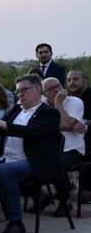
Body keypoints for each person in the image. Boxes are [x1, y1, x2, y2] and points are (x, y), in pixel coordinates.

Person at [0, 74, 62, 233]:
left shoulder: (50, 113)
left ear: (38, 90)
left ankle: (16, 224)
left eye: (24, 90)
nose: (20, 95)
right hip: (7, 157)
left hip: (34, 162)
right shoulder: (17, 110)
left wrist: (1, 124)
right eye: (18, 92)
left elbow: (31, 132)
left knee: (4, 171)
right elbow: (5, 129)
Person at [41, 77, 86, 217]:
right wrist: (64, 125)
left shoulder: (75, 102)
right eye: (51, 88)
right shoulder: (41, 104)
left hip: (72, 149)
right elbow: (66, 125)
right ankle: (43, 196)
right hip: (48, 148)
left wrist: (58, 103)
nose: (57, 89)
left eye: (58, 86)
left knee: (56, 163)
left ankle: (65, 201)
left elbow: (66, 124)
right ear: (43, 93)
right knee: (25, 160)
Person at [68, 70, 91, 203]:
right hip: (74, 136)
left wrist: (75, 124)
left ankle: (87, 189)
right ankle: (65, 187)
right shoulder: (69, 98)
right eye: (69, 80)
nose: (72, 83)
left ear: (86, 81)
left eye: (75, 79)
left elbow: (86, 123)